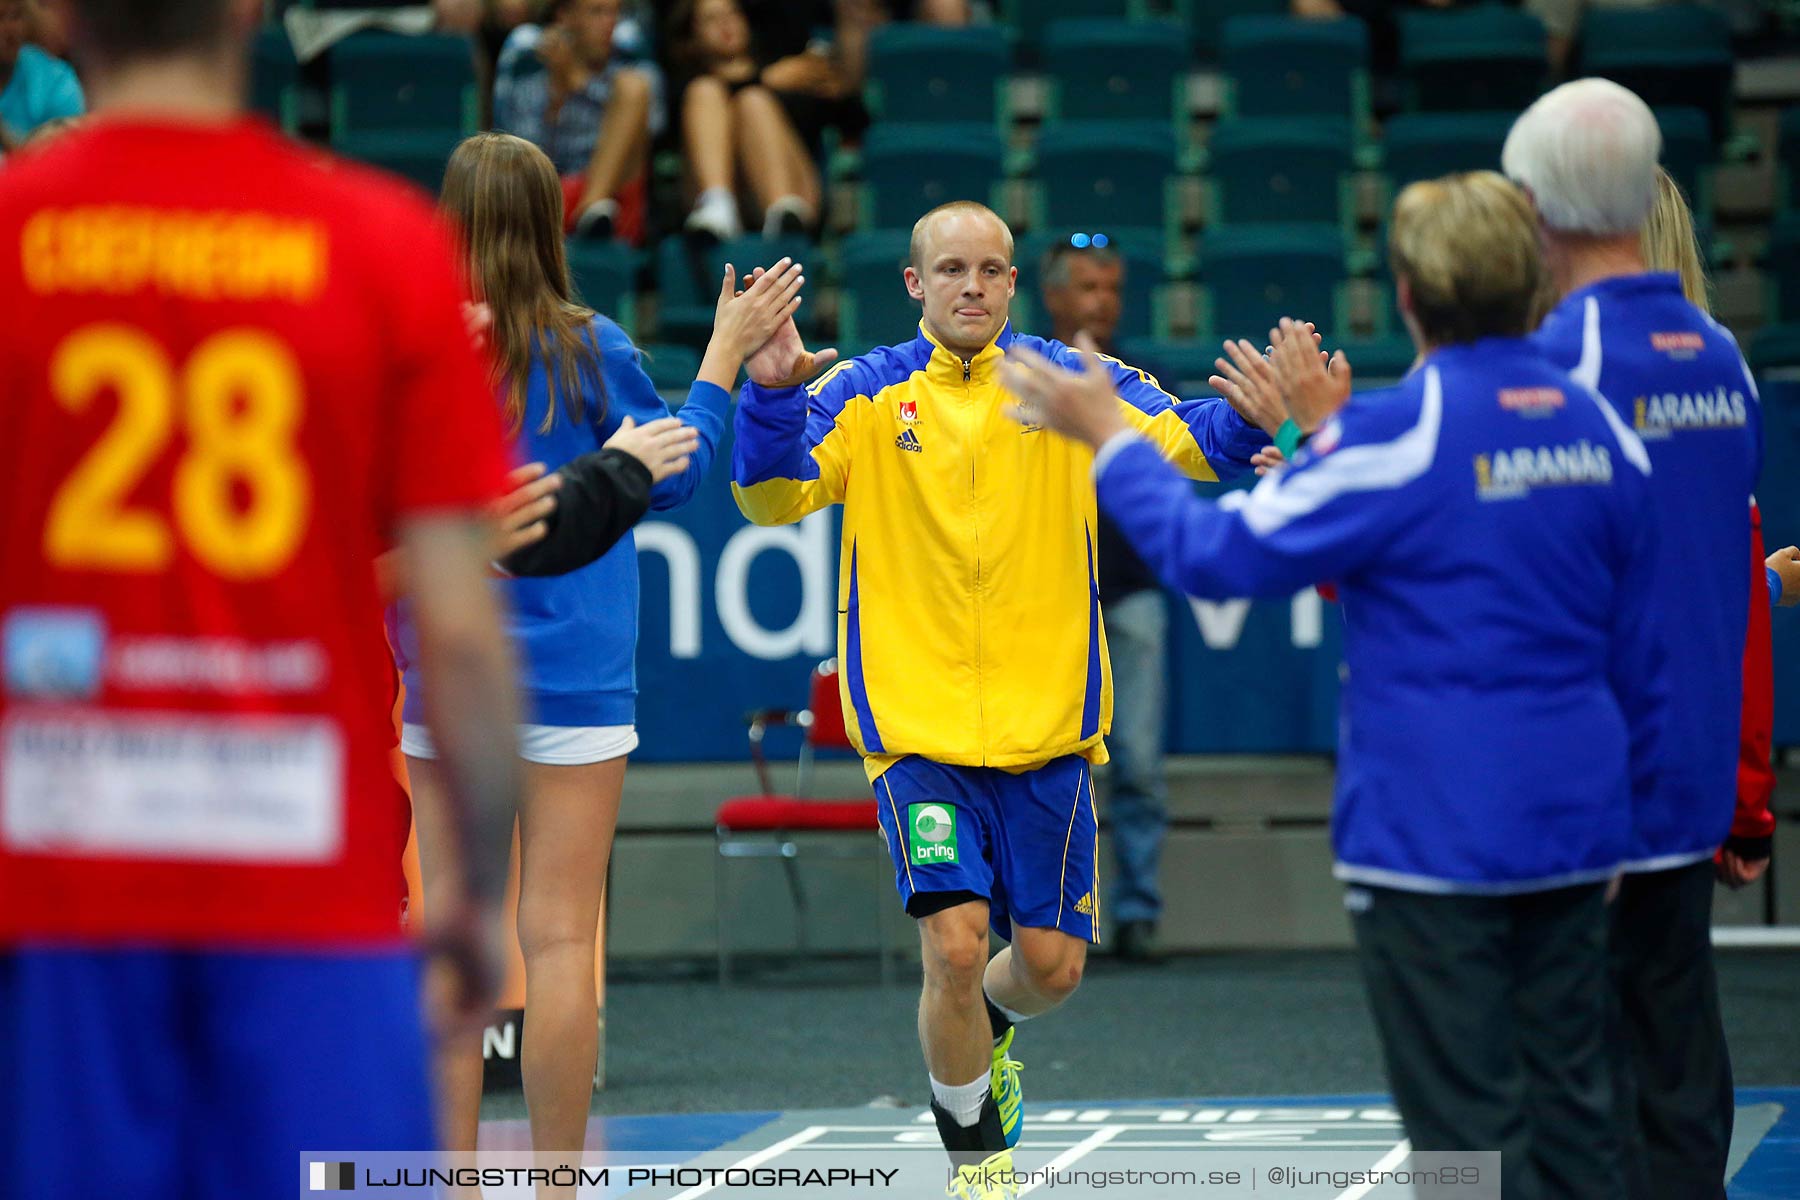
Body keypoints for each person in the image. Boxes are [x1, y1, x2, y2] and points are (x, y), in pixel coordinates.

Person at [1007, 170, 1664, 1200]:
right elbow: (1642, 630)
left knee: (1463, 1134)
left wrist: (1108, 437)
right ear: (1535, 283)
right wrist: (1317, 439)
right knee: (1577, 1102)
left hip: (1435, 844)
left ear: (1405, 294)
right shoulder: (1601, 433)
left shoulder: (1392, 444)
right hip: (1583, 825)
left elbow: (1207, 553)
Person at [0, 2, 526, 1199]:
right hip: (312, 892)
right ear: (253, 13)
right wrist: (479, 899)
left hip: (56, 898)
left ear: (57, 19)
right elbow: (461, 635)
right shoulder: (383, 244)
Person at [729, 200, 1271, 1197]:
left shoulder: (1069, 378)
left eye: (989, 269)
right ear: (915, 283)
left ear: (1013, 284)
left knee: (1053, 965)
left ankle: (993, 1029)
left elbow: (1189, 441)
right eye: (950, 270)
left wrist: (1251, 418)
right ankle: (977, 1159)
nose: (971, 285)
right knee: (954, 940)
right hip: (919, 732)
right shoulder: (861, 391)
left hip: (1047, 732)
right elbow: (768, 497)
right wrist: (766, 399)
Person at [400, 130, 804, 1167]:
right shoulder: (592, 347)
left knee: (452, 935)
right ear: (548, 222)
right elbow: (672, 474)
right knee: (562, 940)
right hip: (577, 675)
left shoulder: (416, 345)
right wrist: (719, 359)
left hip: (446, 666)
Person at [1507, 80, 1762, 1200]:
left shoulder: (1560, 369)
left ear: (1537, 207)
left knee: (1562, 1086)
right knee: (1675, 1056)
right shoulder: (1722, 357)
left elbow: (1525, 586)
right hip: (1687, 773)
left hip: (1590, 790)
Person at [1037, 238, 1168, 963]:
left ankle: (1138, 912)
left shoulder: (1146, 379)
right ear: (1054, 296)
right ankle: (1054, 913)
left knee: (1140, 764)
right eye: (1087, 287)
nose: (1103, 302)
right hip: (1047, 595)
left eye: (1112, 287)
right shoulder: (1017, 374)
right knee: (1050, 760)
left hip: (1130, 590)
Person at [665, 0, 867, 240]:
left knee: (753, 102)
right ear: (691, 38)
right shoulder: (684, 88)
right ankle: (717, 204)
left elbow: (856, 119)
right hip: (709, 207)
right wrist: (764, 79)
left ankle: (781, 213)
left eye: (733, 13)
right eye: (711, 19)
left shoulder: (791, 73)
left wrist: (834, 82)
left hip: (796, 195)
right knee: (705, 91)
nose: (726, 24)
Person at [492, 0, 661, 242]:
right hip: (548, 196)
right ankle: (583, 214)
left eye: (614, 13)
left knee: (632, 88)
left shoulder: (636, 71)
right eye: (597, 12)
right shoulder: (533, 80)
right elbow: (520, 159)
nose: (609, 24)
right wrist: (557, 98)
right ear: (565, 18)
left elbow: (653, 127)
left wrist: (580, 83)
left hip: (615, 200)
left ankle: (591, 208)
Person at [0, 0, 83, 153]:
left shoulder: (56, 82)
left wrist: (6, 137)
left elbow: (70, 160)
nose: (9, 30)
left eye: (15, 16)